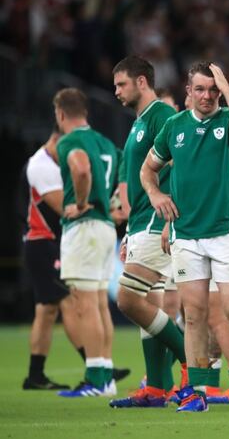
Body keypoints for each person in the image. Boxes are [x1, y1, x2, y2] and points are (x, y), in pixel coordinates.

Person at [141, 61, 229, 412]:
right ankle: (196, 392)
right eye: (200, 89)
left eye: (213, 90)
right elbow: (148, 169)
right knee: (193, 314)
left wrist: (227, 86)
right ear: (188, 92)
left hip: (226, 232)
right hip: (186, 234)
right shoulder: (173, 127)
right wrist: (155, 195)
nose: (207, 96)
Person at [107, 56, 188, 408]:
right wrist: (128, 227)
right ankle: (157, 386)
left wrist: (170, 220)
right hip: (140, 222)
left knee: (128, 300)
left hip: (158, 221)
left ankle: (191, 361)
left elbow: (183, 167)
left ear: (142, 81)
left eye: (121, 84)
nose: (116, 91)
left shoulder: (162, 117)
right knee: (150, 308)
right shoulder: (140, 121)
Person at [52, 88, 122, 398]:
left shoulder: (69, 141)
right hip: (106, 227)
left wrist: (80, 204)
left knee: (85, 304)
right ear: (86, 113)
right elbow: (125, 179)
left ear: (61, 114)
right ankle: (106, 376)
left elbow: (80, 168)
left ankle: (95, 378)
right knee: (97, 303)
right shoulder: (105, 143)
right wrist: (116, 206)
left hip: (84, 227)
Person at [20, 129, 82, 390]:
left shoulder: (51, 163)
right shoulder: (40, 165)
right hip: (42, 242)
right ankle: (97, 366)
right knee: (68, 302)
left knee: (46, 310)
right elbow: (62, 207)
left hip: (44, 242)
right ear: (55, 140)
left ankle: (35, 375)